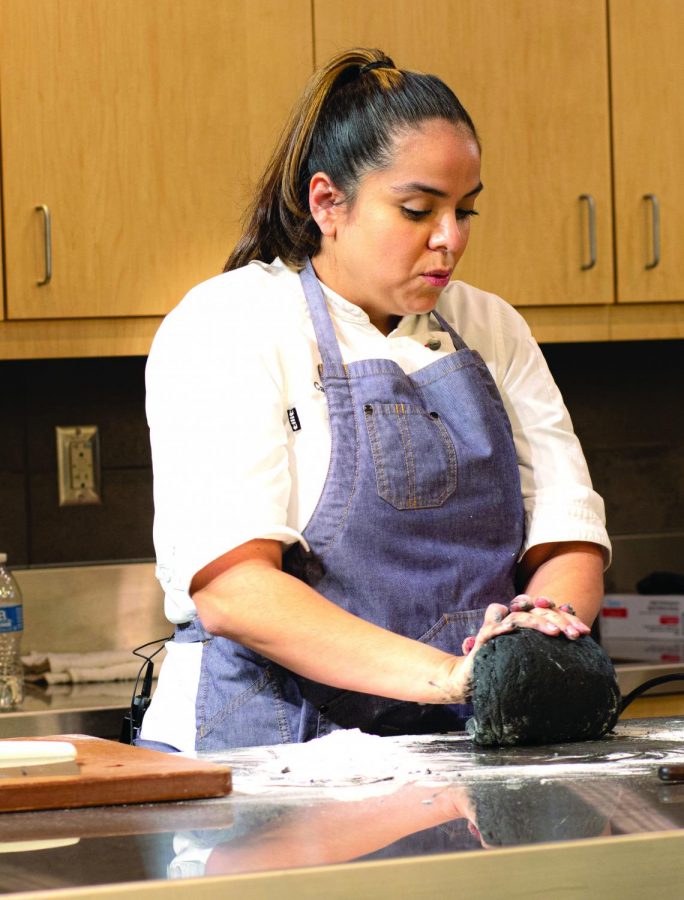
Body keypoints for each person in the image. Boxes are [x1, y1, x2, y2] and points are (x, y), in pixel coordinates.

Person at [140, 48, 610, 753]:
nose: (450, 239)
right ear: (327, 202)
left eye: (466, 209)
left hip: (459, 749)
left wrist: (537, 632)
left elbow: (568, 536)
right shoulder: (229, 325)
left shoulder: (491, 328)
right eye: (418, 209)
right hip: (271, 757)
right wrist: (456, 676)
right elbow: (234, 591)